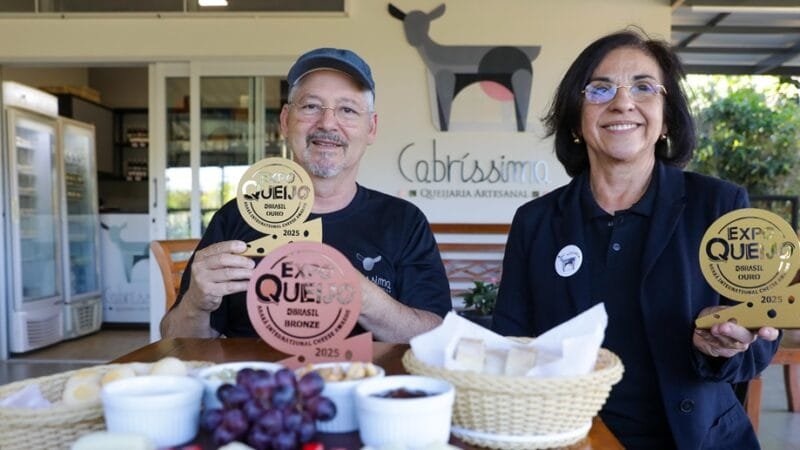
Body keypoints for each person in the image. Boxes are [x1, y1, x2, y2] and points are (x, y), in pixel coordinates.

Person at [491, 30, 780, 450]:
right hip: (571, 439)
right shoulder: (535, 222)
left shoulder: (720, 204)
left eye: (644, 87)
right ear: (575, 120)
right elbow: (511, 345)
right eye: (600, 89)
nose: (623, 102)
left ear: (667, 117)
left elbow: (758, 349)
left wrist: (723, 345)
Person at [160, 48, 451, 343]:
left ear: (371, 128)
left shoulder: (403, 221)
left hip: (364, 385)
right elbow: (173, 340)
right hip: (259, 387)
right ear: (286, 121)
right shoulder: (236, 217)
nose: (327, 123)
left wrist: (361, 296)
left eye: (347, 110)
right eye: (311, 106)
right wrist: (196, 303)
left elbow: (436, 336)